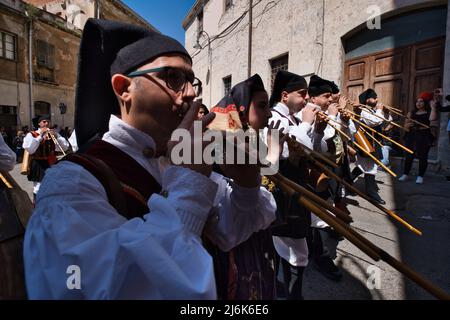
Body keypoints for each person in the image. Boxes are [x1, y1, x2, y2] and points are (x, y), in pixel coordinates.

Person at [23, 19, 276, 300]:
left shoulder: (179, 158)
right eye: (173, 77)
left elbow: (230, 232)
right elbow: (99, 287)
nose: (191, 93)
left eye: (191, 81)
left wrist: (246, 181)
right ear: (123, 89)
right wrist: (190, 187)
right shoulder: (71, 183)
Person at [267, 70, 318, 299]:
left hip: (297, 191)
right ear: (285, 95)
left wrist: (314, 128)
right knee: (293, 249)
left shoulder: (294, 120)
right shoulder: (274, 117)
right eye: (302, 94)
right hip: (284, 195)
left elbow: (312, 151)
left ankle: (286, 291)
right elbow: (285, 151)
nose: (307, 99)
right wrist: (306, 125)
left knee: (291, 248)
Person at [351, 89, 388, 205]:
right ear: (367, 100)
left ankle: (346, 181)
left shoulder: (373, 111)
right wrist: (379, 111)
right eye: (374, 97)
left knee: (363, 166)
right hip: (366, 143)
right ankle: (371, 192)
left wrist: (385, 112)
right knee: (370, 167)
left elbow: (385, 121)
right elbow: (375, 121)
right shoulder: (363, 111)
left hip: (373, 142)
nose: (377, 99)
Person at [22, 115, 69, 200]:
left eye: (48, 121)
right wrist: (40, 136)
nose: (46, 123)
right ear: (39, 123)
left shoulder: (53, 134)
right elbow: (30, 149)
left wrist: (57, 136)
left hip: (51, 163)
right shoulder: (32, 134)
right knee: (39, 188)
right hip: (38, 164)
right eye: (44, 121)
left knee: (52, 187)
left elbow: (65, 147)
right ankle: (38, 207)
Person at [398, 92, 438, 184]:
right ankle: (405, 174)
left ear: (425, 103)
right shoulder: (411, 113)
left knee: (423, 156)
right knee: (409, 155)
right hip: (411, 135)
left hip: (424, 135)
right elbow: (405, 126)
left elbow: (432, 119)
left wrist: (433, 107)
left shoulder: (429, 112)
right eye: (417, 102)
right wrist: (409, 125)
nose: (419, 103)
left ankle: (420, 176)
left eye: (421, 101)